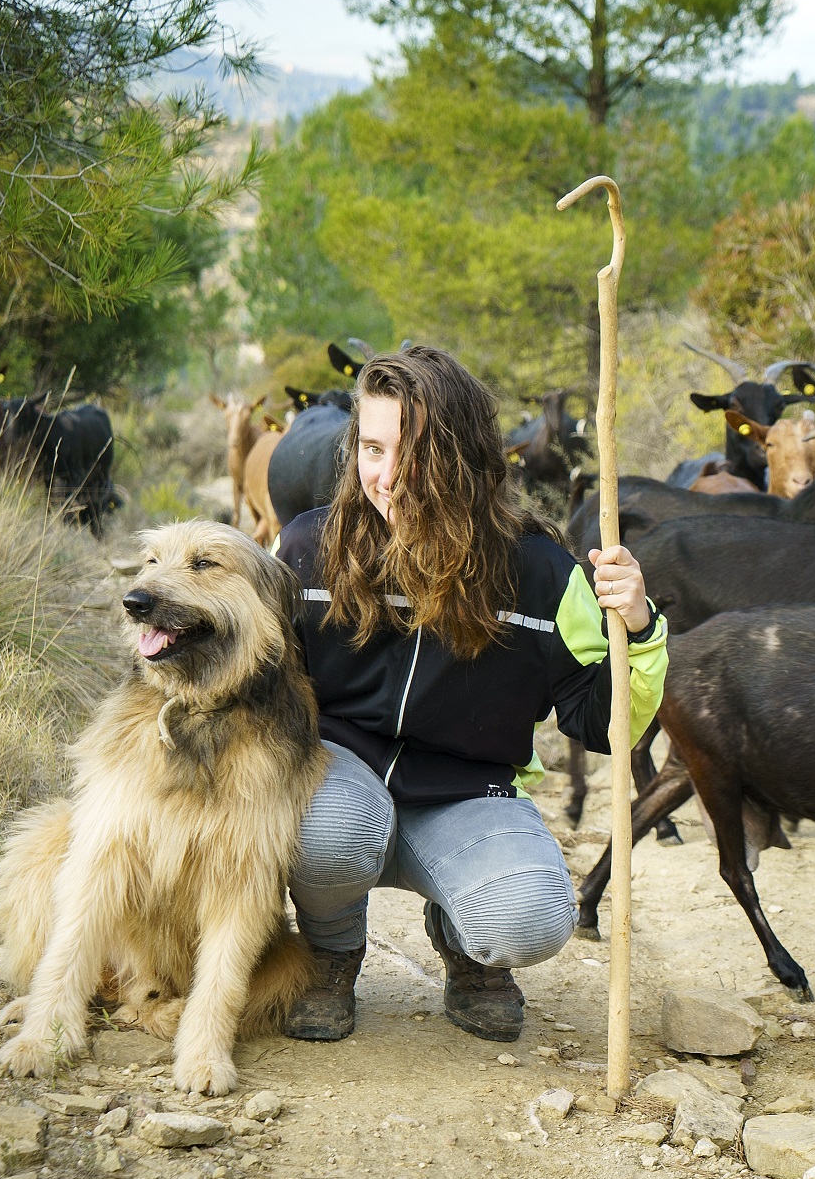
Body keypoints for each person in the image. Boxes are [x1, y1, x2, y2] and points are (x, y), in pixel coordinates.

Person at [274, 346, 666, 1043]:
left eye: (414, 452)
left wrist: (637, 627)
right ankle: (331, 952)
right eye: (371, 448)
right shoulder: (309, 549)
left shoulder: (541, 574)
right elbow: (261, 686)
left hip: (465, 798)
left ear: (465, 456)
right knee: (322, 831)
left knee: (532, 917)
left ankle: (466, 947)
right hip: (337, 784)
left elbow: (605, 723)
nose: (387, 477)